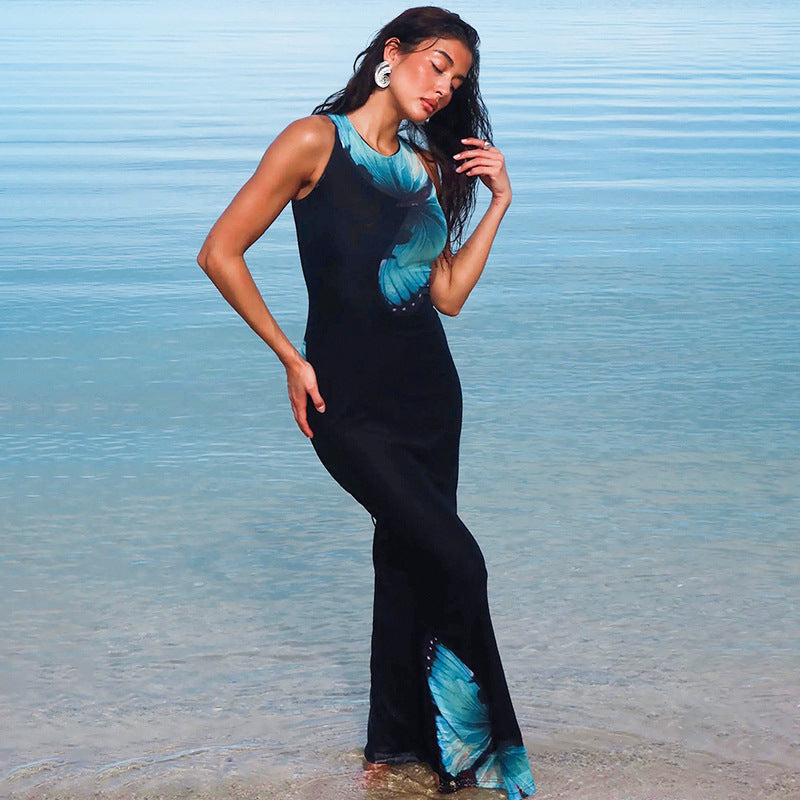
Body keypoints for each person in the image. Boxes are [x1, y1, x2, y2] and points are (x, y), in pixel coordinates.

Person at [197, 7, 535, 798]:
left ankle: (391, 749)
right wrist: (290, 357)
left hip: (430, 401)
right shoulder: (312, 142)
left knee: (406, 563)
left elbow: (446, 295)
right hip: (346, 405)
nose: (444, 88)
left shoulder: (423, 169)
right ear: (393, 53)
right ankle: (480, 758)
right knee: (460, 560)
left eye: (457, 79)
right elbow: (220, 251)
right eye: (437, 65)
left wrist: (499, 204)